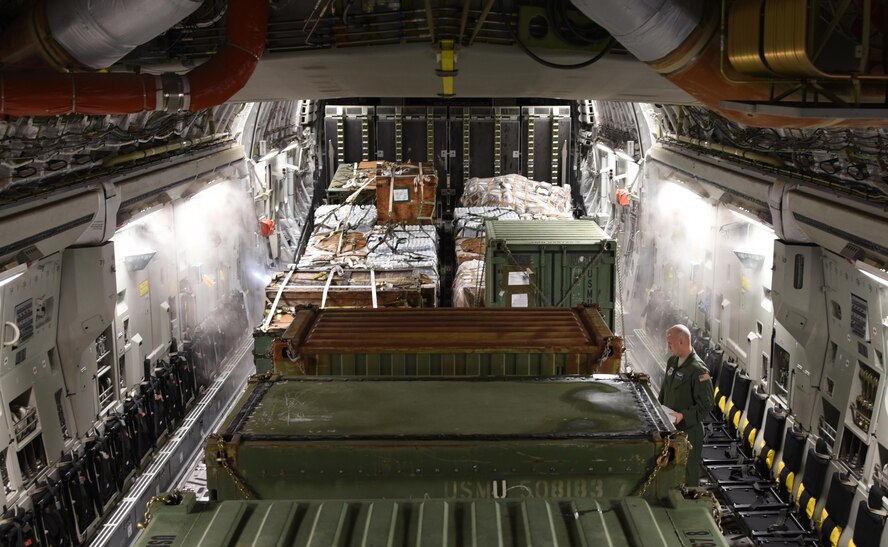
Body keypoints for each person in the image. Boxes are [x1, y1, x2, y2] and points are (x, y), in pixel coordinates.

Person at [658, 324, 714, 487]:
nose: (668, 346)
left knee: (688, 471)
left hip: (689, 431)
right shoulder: (672, 362)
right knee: (669, 466)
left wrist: (684, 415)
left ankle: (689, 503)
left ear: (681, 342)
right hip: (670, 425)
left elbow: (707, 404)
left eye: (670, 343)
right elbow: (665, 390)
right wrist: (658, 408)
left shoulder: (698, 370)